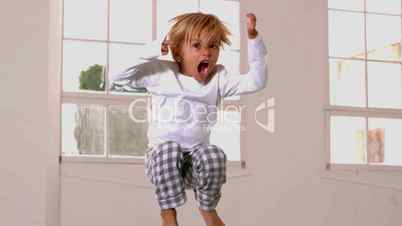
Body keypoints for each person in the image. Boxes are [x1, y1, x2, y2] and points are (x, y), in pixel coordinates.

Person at [111, 12, 267, 226]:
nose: (207, 52)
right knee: (169, 149)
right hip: (161, 164)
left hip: (196, 165)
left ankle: (207, 209)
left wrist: (253, 39)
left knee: (214, 154)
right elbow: (116, 76)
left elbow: (256, 81)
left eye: (213, 46)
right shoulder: (161, 74)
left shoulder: (218, 79)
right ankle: (168, 212)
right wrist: (155, 48)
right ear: (177, 52)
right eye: (197, 45)